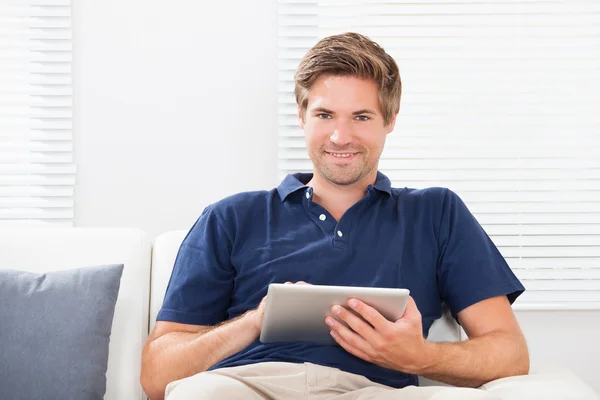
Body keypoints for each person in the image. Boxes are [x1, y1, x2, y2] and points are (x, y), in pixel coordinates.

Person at [141, 32, 529, 400]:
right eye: (325, 115)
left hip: (375, 390)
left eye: (361, 117)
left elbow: (510, 354)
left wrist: (419, 357)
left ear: (390, 121)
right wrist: (254, 321)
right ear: (302, 117)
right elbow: (158, 377)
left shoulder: (436, 212)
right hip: (247, 387)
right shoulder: (230, 218)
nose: (340, 136)